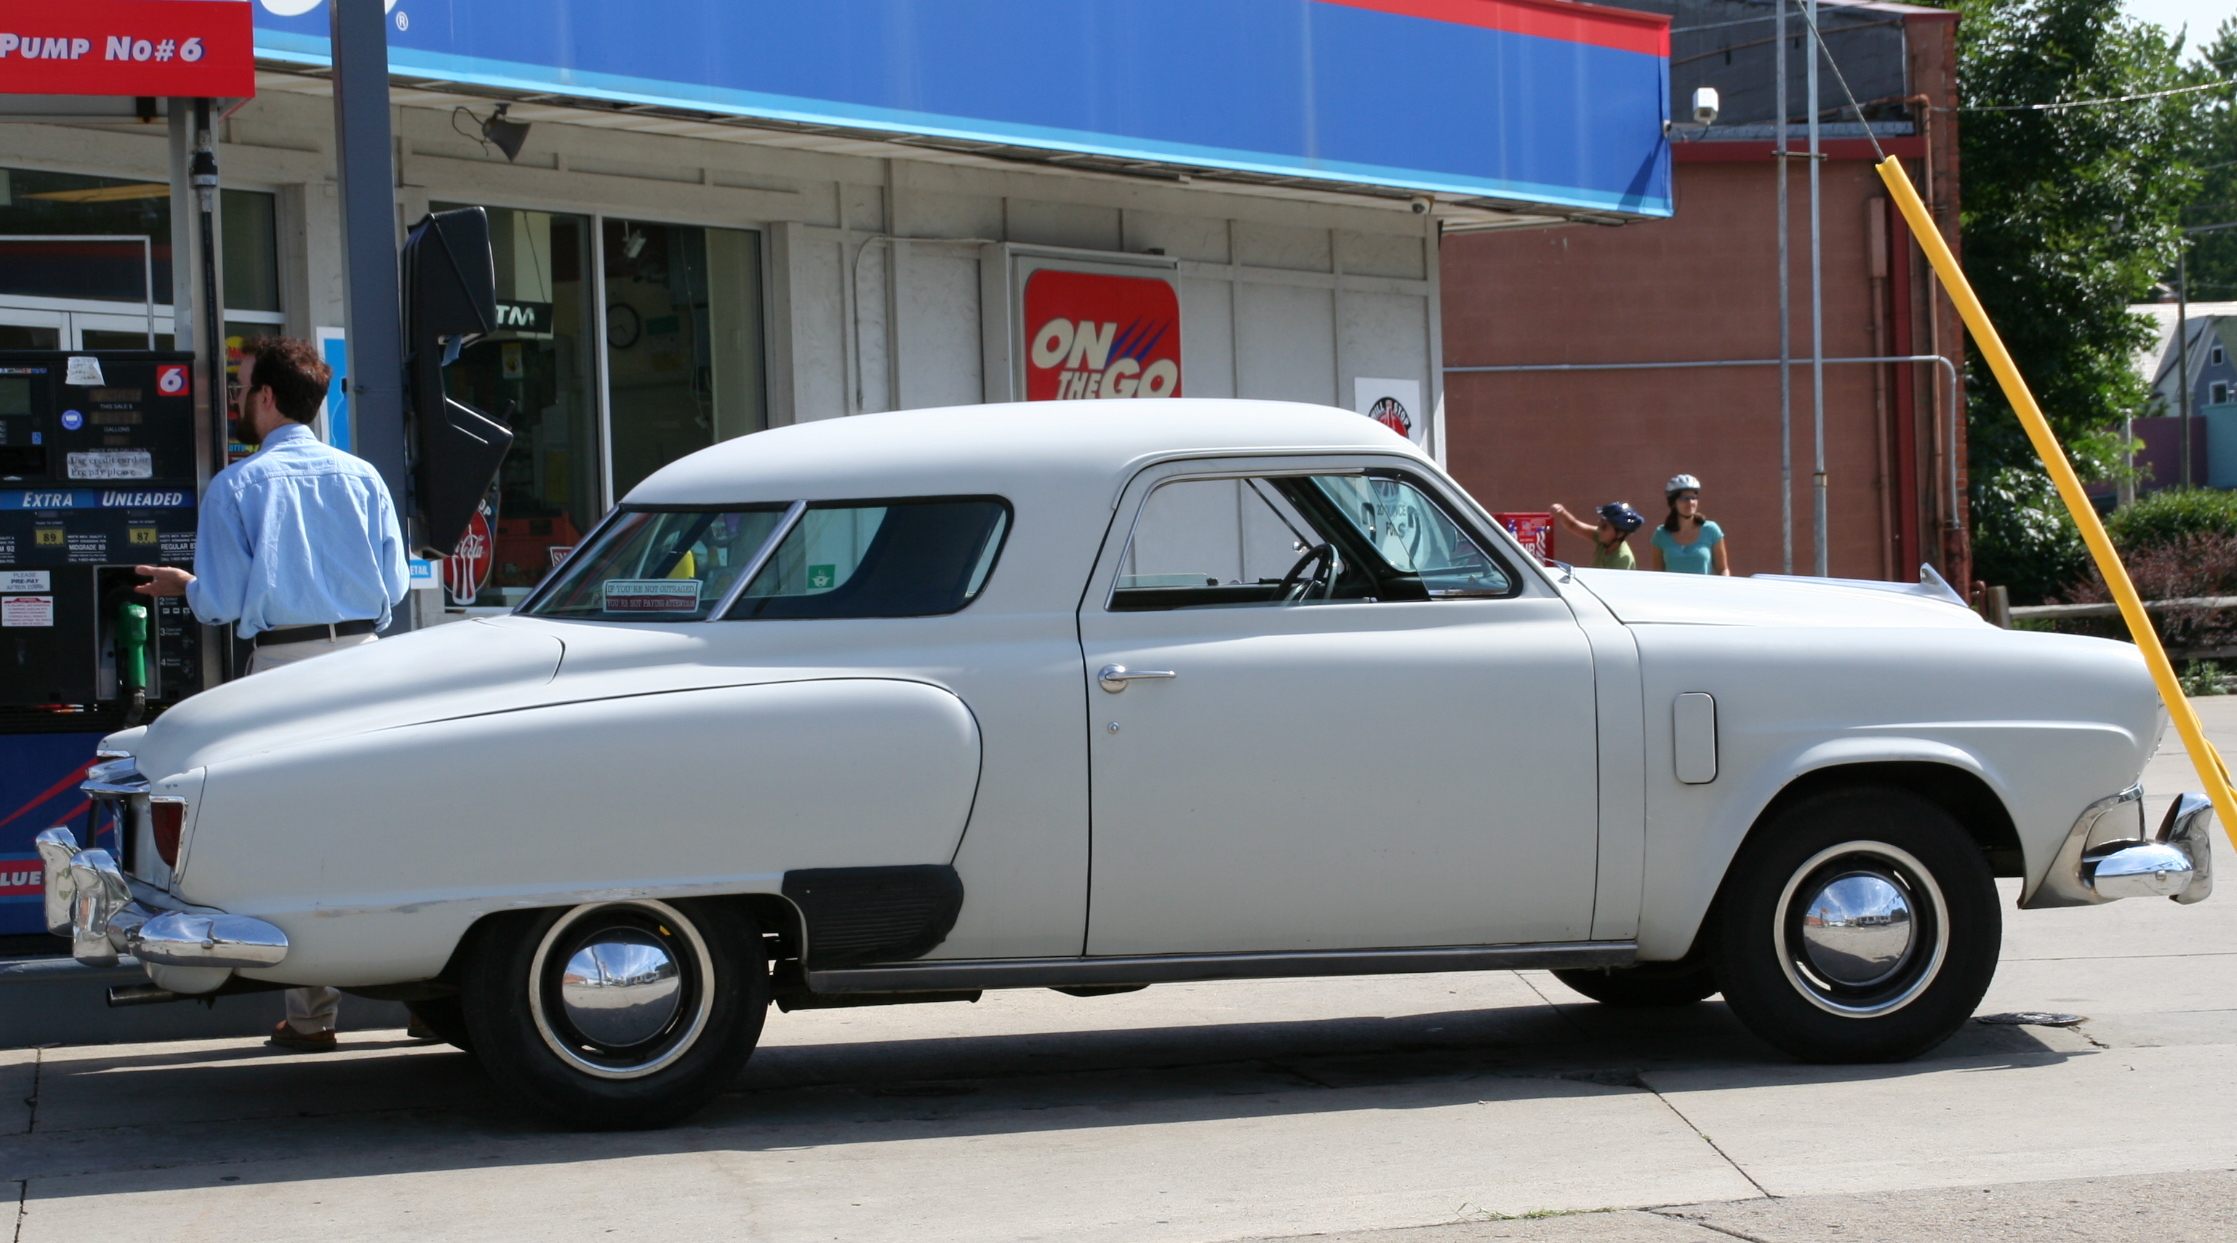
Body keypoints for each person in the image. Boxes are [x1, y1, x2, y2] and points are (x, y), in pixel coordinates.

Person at [135, 336, 409, 1053]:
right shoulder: (363, 476)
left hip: (284, 670)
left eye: (242, 385)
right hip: (367, 661)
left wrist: (183, 586)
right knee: (386, 823)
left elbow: (221, 603)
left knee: (297, 837)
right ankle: (423, 992)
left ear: (265, 398)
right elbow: (396, 589)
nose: (235, 398)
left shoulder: (238, 484)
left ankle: (312, 1016)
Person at [1649, 474, 1730, 575]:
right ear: (1673, 503)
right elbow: (1657, 573)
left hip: (1704, 590)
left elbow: (1722, 569)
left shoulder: (1711, 530)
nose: (1690, 502)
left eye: (1694, 497)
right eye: (1684, 498)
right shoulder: (1661, 534)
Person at [1550, 500, 1644, 570]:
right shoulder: (1603, 539)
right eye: (1600, 523)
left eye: (1604, 526)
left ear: (1620, 534)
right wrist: (1562, 512)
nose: (1599, 528)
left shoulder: (1622, 559)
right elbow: (1573, 525)